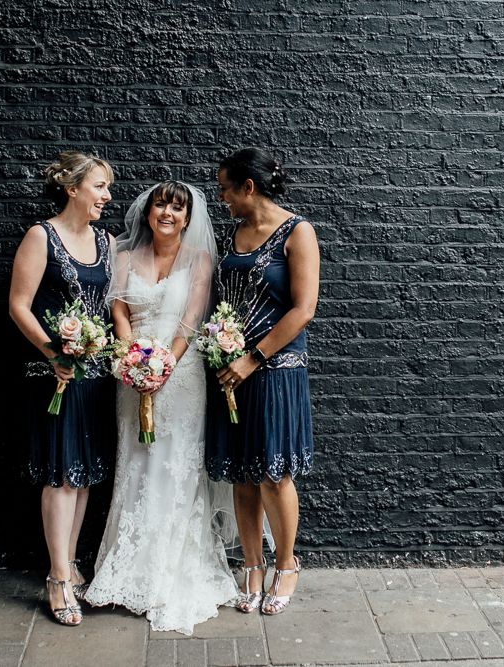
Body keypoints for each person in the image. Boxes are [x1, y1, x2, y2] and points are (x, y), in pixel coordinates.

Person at [85, 181, 238, 635]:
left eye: (177, 207)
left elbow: (191, 319)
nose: (167, 212)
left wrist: (165, 362)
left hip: (181, 372)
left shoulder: (199, 260)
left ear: (188, 218)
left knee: (175, 463)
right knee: (136, 460)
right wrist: (133, 358)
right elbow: (118, 310)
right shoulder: (124, 256)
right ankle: (131, 568)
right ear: (148, 210)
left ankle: (173, 568)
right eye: (160, 204)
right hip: (131, 370)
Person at [205, 147, 319, 615]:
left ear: (247, 187)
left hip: (273, 370)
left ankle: (286, 564)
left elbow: (303, 308)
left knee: (274, 475)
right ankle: (252, 566)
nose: (222, 199)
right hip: (230, 369)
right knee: (241, 474)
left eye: (225, 190)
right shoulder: (235, 233)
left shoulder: (298, 231)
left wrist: (253, 357)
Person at [8, 150, 116, 626]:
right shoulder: (41, 236)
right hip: (56, 375)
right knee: (60, 473)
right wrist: (54, 353)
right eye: (99, 187)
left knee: (86, 473)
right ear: (72, 189)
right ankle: (56, 578)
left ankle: (71, 565)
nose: (106, 197)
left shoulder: (108, 241)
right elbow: (19, 305)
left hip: (95, 377)